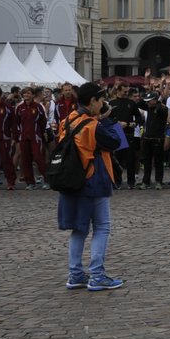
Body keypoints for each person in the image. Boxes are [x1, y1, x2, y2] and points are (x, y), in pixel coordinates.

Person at [57, 83, 127, 291]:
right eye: (101, 100)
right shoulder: (93, 125)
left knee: (79, 229)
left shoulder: (67, 120)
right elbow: (117, 141)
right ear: (93, 101)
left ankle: (75, 273)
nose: (103, 103)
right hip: (93, 179)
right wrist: (107, 120)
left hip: (71, 179)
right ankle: (97, 274)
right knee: (102, 227)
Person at [14, 88, 49, 189]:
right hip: (24, 137)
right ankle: (30, 182)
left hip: (36, 136)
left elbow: (43, 120)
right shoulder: (20, 107)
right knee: (26, 160)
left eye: (28, 93)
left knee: (39, 158)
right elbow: (16, 122)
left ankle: (47, 180)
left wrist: (42, 132)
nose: (26, 95)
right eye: (24, 93)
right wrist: (17, 136)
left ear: (33, 95)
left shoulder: (38, 106)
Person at [140, 91, 168, 189]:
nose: (147, 103)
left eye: (149, 101)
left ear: (155, 100)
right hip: (147, 138)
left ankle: (158, 181)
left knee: (158, 162)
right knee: (147, 162)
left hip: (158, 139)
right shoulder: (148, 107)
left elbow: (161, 109)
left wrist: (159, 101)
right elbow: (140, 102)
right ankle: (146, 181)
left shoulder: (162, 108)